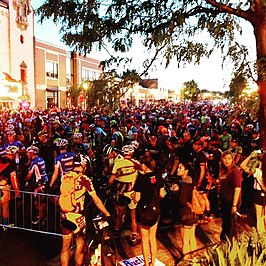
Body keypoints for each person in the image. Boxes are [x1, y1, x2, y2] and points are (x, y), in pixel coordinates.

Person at [60, 153, 111, 266]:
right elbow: (96, 200)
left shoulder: (65, 176)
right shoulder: (85, 179)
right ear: (84, 166)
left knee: (65, 249)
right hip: (78, 217)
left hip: (64, 215)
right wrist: (106, 213)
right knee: (80, 246)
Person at [133, 155, 165, 266]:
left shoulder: (141, 179)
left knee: (145, 240)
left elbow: (137, 198)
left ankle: (146, 263)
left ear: (144, 165)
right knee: (153, 238)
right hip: (155, 210)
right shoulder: (158, 176)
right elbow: (162, 194)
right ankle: (153, 263)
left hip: (143, 211)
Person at [108, 144, 141, 246]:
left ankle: (117, 230)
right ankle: (134, 237)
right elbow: (142, 174)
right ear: (132, 153)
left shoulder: (118, 163)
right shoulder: (136, 163)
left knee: (120, 212)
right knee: (133, 215)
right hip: (132, 192)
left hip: (121, 192)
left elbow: (111, 180)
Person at [240, 150, 266, 235]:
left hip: (258, 194)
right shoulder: (258, 172)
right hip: (262, 193)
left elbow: (242, 165)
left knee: (259, 217)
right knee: (263, 217)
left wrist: (251, 156)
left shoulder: (257, 172)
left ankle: (261, 238)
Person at [219, 150, 242, 241]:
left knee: (231, 225)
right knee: (226, 223)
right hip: (224, 201)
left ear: (232, 160)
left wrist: (234, 205)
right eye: (225, 158)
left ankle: (232, 245)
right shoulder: (224, 171)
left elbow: (237, 189)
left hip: (232, 202)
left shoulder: (235, 172)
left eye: (229, 158)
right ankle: (224, 242)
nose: (227, 161)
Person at [177, 162, 198, 256]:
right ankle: (195, 258)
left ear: (186, 171)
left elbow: (182, 200)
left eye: (180, 168)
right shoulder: (191, 182)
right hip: (193, 213)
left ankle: (186, 260)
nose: (178, 169)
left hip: (186, 214)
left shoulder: (185, 184)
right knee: (192, 238)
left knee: (185, 240)